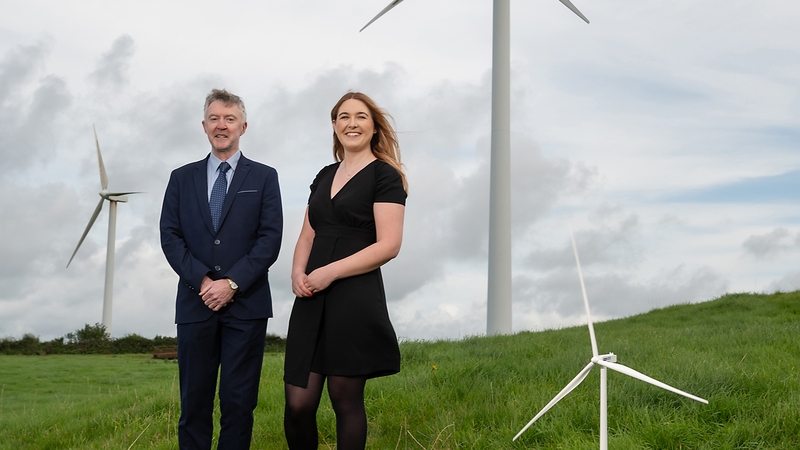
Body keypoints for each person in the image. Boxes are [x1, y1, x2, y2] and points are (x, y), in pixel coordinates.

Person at [283, 91, 408, 449]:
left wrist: (331, 272)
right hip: (311, 294)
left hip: (354, 295)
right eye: (343, 116)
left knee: (344, 397)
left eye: (360, 116)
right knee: (298, 403)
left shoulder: (385, 176)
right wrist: (297, 271)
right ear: (335, 125)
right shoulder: (323, 175)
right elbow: (308, 234)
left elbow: (389, 245)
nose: (351, 123)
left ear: (373, 127)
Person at [160, 88, 283, 449]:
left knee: (239, 403)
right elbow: (170, 236)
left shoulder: (264, 177)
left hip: (246, 307)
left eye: (229, 119)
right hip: (195, 306)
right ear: (203, 125)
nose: (221, 125)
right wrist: (202, 280)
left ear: (243, 126)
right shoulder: (181, 178)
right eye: (214, 118)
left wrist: (231, 283)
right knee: (193, 403)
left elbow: (269, 239)